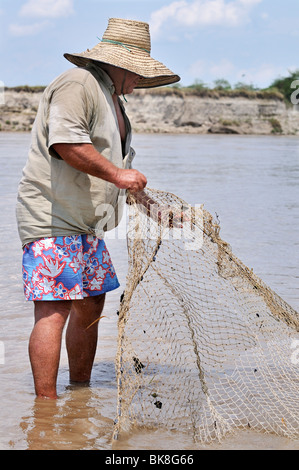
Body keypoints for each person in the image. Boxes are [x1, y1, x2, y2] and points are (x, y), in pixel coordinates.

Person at [16, 18, 180, 399]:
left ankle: (79, 393)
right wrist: (119, 177)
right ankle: (46, 406)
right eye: (138, 73)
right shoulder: (78, 84)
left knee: (91, 304)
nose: (139, 82)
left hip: (87, 223)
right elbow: (66, 144)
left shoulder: (114, 100)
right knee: (54, 309)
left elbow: (119, 174)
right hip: (53, 214)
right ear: (120, 63)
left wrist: (159, 213)